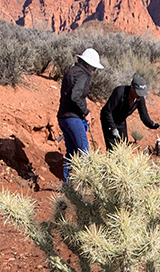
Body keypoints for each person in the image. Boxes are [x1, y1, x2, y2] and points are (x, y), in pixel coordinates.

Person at [57, 48, 103, 182]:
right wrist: (86, 113)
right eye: (94, 67)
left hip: (63, 117)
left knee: (71, 153)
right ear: (88, 64)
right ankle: (88, 183)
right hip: (72, 118)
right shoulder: (83, 74)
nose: (94, 70)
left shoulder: (72, 71)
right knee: (84, 152)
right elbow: (75, 96)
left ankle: (67, 185)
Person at [100, 75, 160, 151]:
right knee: (113, 148)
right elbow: (107, 111)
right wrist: (112, 128)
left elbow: (144, 116)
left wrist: (153, 125)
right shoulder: (119, 92)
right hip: (108, 119)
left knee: (124, 147)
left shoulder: (139, 99)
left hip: (121, 121)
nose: (139, 95)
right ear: (132, 88)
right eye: (138, 92)